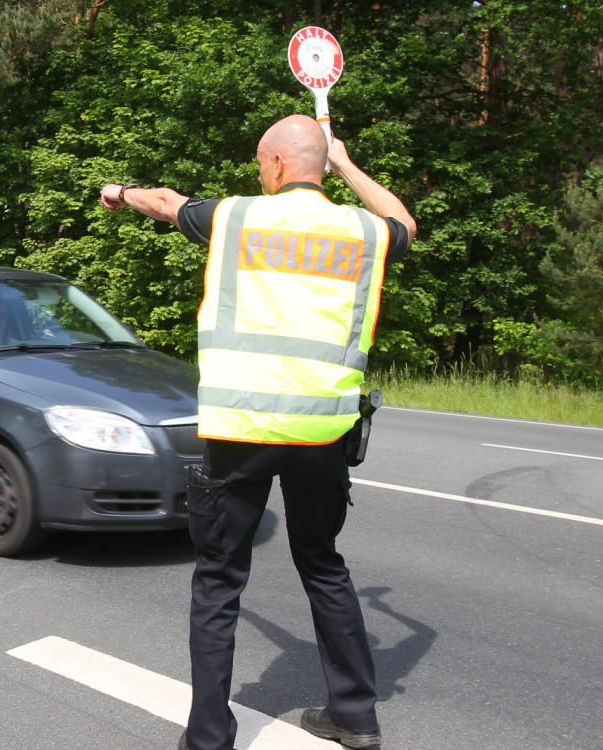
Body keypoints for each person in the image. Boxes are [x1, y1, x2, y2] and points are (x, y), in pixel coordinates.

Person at [100, 114, 415, 750]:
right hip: (322, 433)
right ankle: (355, 717)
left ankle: (210, 737)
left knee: (219, 579)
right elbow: (406, 222)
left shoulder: (238, 217)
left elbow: (165, 202)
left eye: (260, 161)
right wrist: (347, 165)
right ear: (319, 166)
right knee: (324, 565)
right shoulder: (361, 231)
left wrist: (121, 193)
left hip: (241, 428)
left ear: (274, 163)